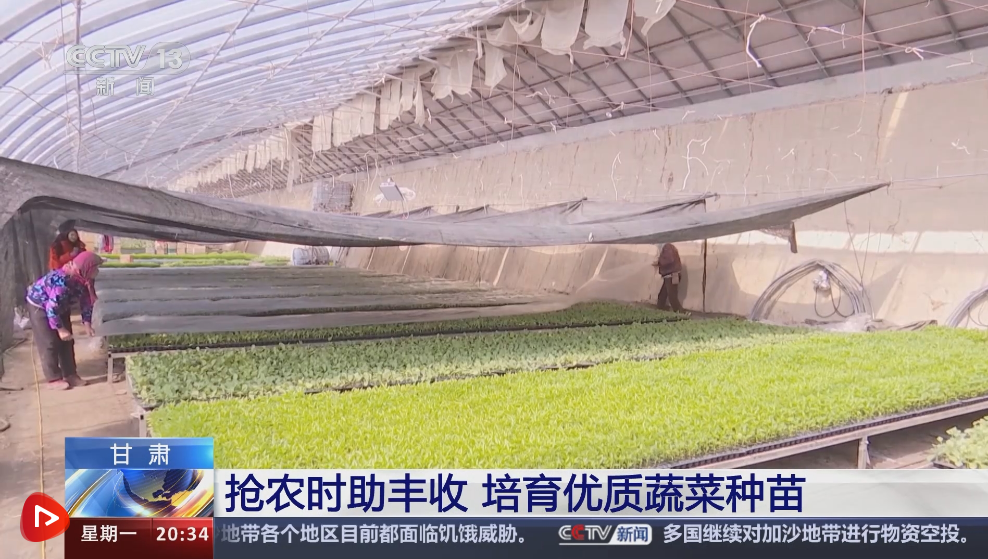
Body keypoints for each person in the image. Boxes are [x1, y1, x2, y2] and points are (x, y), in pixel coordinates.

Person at [25, 251, 103, 390]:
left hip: (61, 306)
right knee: (50, 342)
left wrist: (87, 324)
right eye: (95, 268)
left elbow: (86, 301)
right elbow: (51, 308)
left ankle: (70, 374)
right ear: (86, 267)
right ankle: (53, 378)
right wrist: (60, 329)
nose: (97, 271)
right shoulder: (62, 282)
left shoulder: (84, 278)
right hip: (41, 306)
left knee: (68, 341)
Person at [653, 243, 685, 313]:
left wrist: (659, 261)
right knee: (662, 295)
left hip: (671, 275)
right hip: (670, 275)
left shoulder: (667, 247)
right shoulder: (668, 247)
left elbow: (669, 259)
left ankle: (680, 312)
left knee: (672, 297)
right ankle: (659, 310)